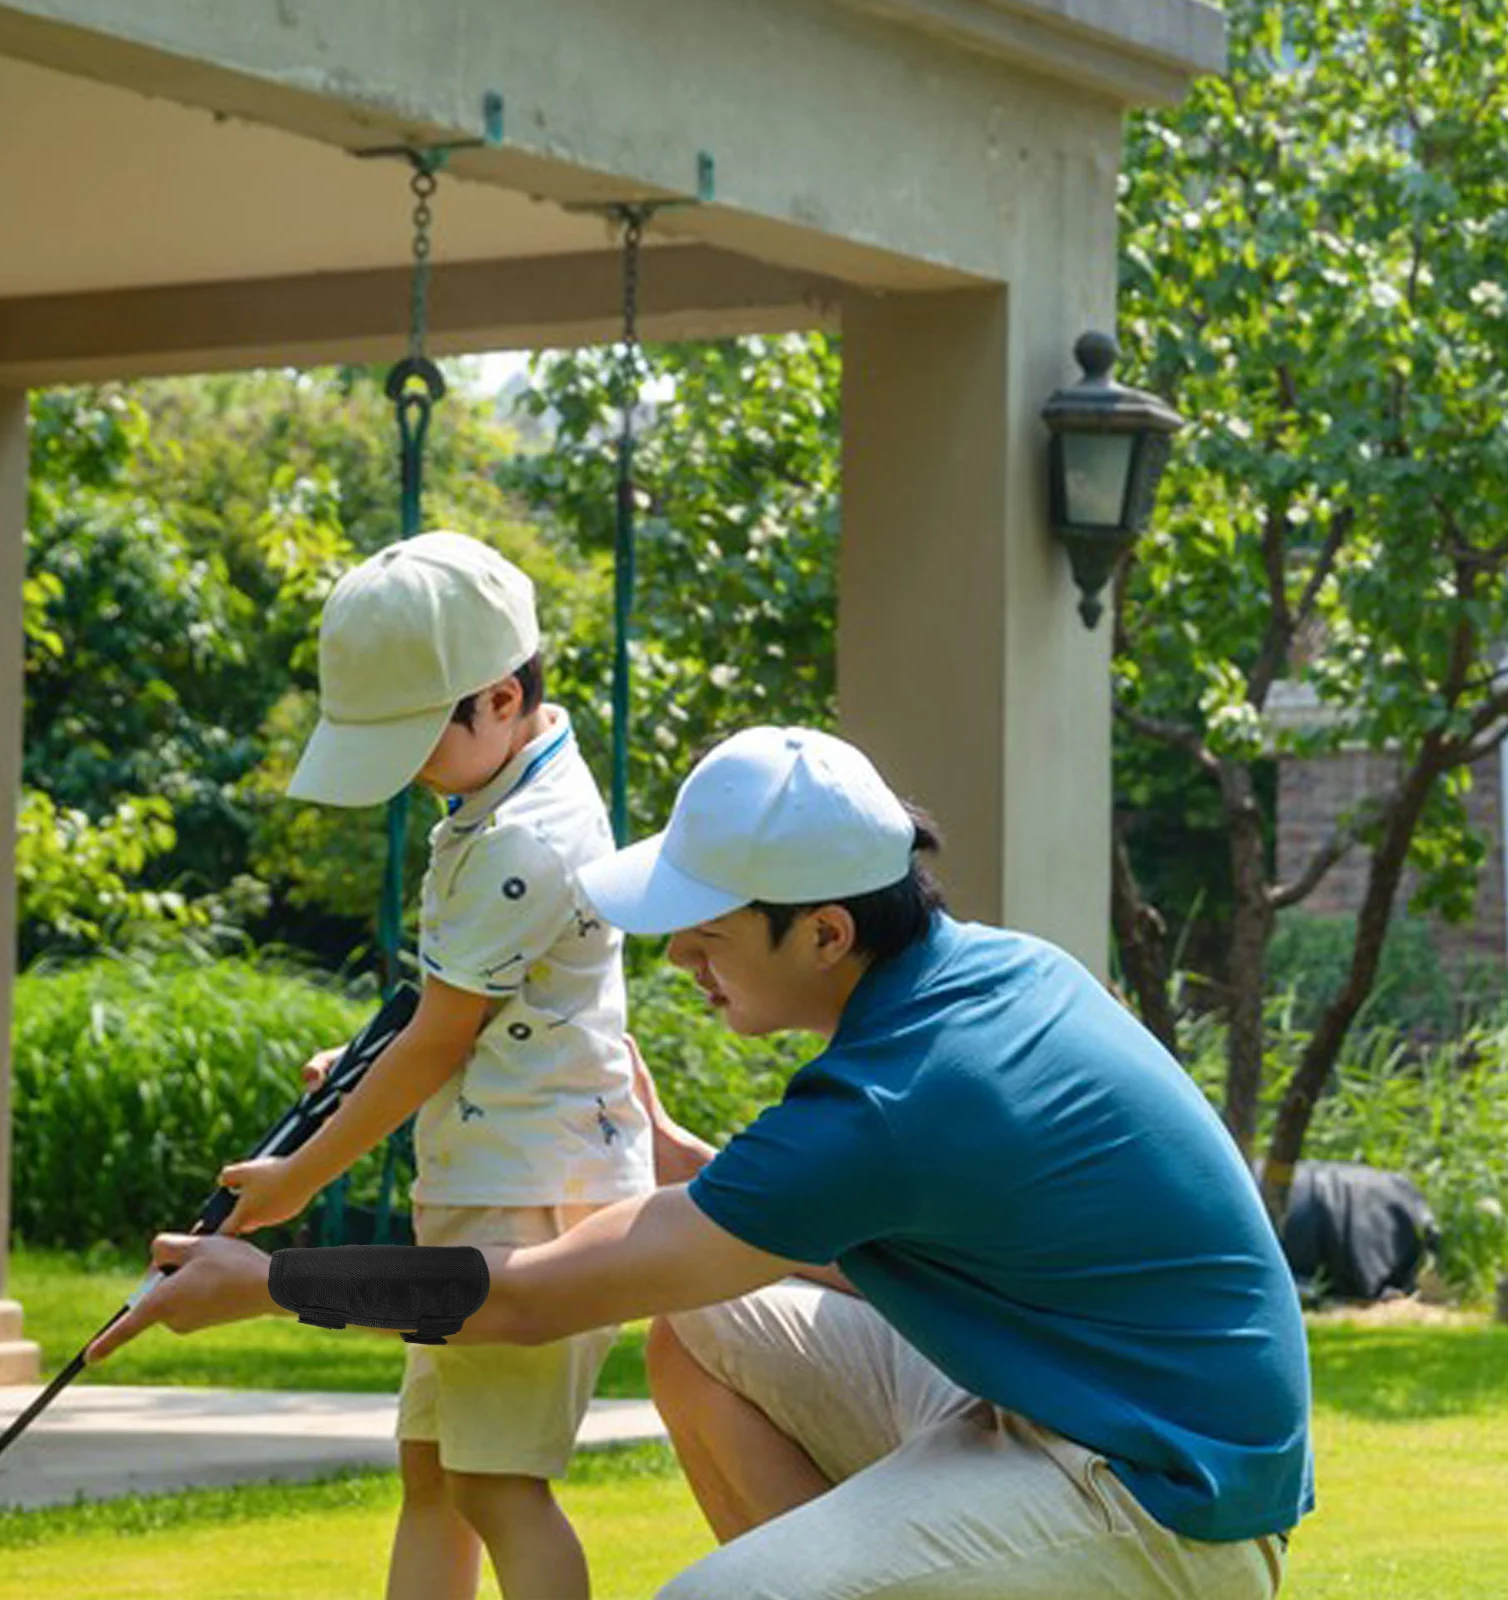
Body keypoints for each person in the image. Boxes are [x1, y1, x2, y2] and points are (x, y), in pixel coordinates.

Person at [92, 726, 1312, 1600]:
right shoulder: (990, 972)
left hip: (1165, 1503)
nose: (679, 958)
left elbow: (525, 1300)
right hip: (1082, 1414)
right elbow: (937, 1245)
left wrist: (272, 1284)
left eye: (708, 931)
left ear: (825, 931)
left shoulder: (889, 1098)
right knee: (705, 1325)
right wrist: (698, 1169)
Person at [211, 532, 654, 1600]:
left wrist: (299, 1176)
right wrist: (371, 1063)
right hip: (492, 1179)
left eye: (415, 738)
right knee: (437, 1474)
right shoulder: (506, 788)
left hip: (529, 1197)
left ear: (499, 699)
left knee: (498, 1484)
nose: (407, 769)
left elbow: (442, 1038)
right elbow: (469, 1020)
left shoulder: (522, 841)